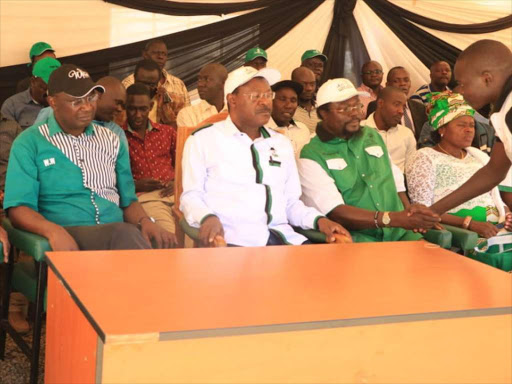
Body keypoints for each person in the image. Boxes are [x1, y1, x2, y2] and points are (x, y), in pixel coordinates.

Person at [3, 64, 176, 251]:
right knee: (125, 236)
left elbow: (128, 200)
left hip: (116, 234)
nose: (86, 106)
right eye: (76, 101)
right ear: (53, 102)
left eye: (91, 97)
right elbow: (18, 208)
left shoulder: (112, 139)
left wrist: (146, 221)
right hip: (68, 235)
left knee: (163, 242)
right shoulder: (30, 143)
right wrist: (52, 231)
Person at [180, 66, 351, 246]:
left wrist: (320, 221)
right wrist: (207, 218)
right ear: (232, 100)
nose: (265, 102)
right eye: (255, 96)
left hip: (284, 240)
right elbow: (191, 196)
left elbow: (291, 203)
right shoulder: (203, 140)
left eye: (269, 95)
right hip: (234, 242)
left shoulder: (281, 144)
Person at [298, 78, 441, 243]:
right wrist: (392, 219)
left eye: (357, 105)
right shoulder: (311, 155)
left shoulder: (372, 135)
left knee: (438, 264)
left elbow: (395, 183)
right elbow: (335, 211)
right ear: (323, 113)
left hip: (400, 233)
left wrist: (410, 214)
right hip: (359, 240)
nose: (354, 113)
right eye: (344, 108)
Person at [407, 92, 512, 237]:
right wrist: (469, 223)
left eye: (472, 125)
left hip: (497, 229)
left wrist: (507, 215)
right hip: (463, 234)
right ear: (442, 129)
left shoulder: (479, 157)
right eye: (461, 125)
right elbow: (423, 211)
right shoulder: (425, 157)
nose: (469, 130)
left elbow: (496, 198)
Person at [430, 40, 512, 215]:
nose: (460, 91)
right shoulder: (504, 111)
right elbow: (494, 171)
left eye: (462, 83)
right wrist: (434, 210)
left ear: (486, 79)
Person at [123, 83, 177, 234]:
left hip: (176, 193)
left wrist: (177, 182)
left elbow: (184, 163)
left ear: (151, 106)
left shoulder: (167, 132)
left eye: (143, 109)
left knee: (193, 234)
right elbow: (111, 177)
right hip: (146, 198)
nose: (138, 114)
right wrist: (137, 185)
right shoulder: (118, 136)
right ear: (125, 107)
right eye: (132, 109)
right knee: (168, 235)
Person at [123, 39, 190, 123]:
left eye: (164, 54)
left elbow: (187, 118)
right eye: (156, 53)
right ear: (145, 54)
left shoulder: (179, 84)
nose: (160, 57)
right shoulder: (129, 83)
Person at [362, 86, 416, 172]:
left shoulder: (406, 134)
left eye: (403, 107)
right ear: (380, 103)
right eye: (396, 104)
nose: (401, 111)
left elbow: (411, 171)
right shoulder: (359, 131)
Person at [366, 66, 427, 139]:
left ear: (410, 83)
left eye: (406, 80)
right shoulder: (376, 105)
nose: (402, 84)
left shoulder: (420, 107)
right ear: (387, 85)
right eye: (396, 81)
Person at [1, 57, 61, 129]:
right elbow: (6, 137)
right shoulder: (12, 105)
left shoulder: (67, 102)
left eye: (54, 88)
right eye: (44, 88)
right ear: (33, 81)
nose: (49, 93)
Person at [177, 63, 228, 127]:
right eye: (199, 79)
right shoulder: (187, 114)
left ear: (222, 83)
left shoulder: (234, 114)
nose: (200, 84)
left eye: (207, 79)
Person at [268, 80, 310, 156]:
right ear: (271, 101)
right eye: (283, 99)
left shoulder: (303, 130)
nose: (288, 106)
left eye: (293, 100)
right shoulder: (262, 130)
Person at [291, 67, 318, 135]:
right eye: (304, 84)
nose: (309, 88)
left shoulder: (322, 107)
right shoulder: (288, 110)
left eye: (312, 84)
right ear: (293, 84)